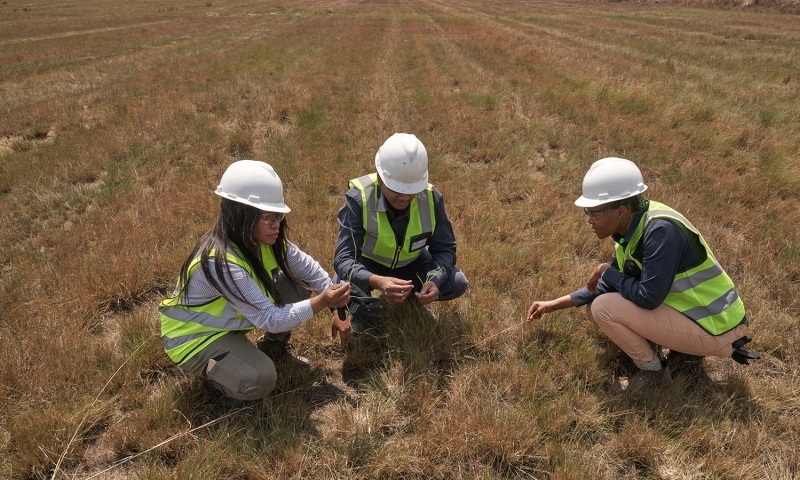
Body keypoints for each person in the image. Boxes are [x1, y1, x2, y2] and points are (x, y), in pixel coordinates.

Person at [526, 157, 758, 392]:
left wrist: (605, 271)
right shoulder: (633, 228)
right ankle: (682, 351)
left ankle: (654, 375)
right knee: (596, 304)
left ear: (620, 211)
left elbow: (647, 297)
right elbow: (609, 284)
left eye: (594, 213)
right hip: (705, 318)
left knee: (603, 308)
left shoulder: (660, 232)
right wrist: (552, 305)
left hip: (717, 327)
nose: (589, 220)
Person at [160, 160, 352, 408]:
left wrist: (336, 309)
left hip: (229, 323)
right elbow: (269, 319)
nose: (277, 224)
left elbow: (310, 270)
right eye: (267, 217)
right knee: (260, 378)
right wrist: (324, 300)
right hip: (195, 338)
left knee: (297, 284)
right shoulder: (221, 262)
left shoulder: (263, 240)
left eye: (278, 215)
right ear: (240, 215)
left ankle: (271, 348)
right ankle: (221, 383)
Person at [333, 133, 468, 325]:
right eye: (397, 190)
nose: (404, 197)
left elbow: (445, 249)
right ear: (380, 178)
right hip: (368, 263)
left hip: (413, 263)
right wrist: (377, 281)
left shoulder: (431, 198)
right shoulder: (358, 199)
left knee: (457, 283)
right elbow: (343, 259)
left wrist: (434, 281)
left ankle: (413, 298)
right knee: (340, 285)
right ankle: (362, 314)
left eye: (411, 191)